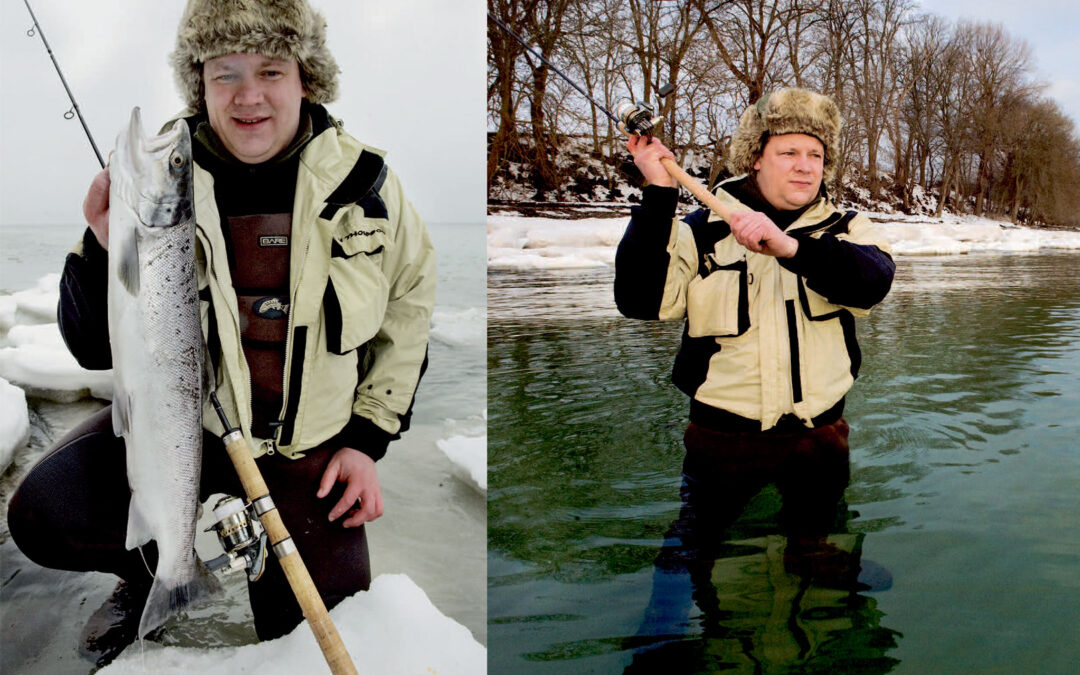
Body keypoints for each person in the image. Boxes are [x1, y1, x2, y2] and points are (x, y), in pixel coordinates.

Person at [6, 0, 435, 666]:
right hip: (185, 432)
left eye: (270, 70)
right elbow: (90, 346)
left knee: (312, 642)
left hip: (309, 453)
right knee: (43, 511)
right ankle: (152, 571)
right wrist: (103, 245)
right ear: (199, 84)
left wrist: (366, 440)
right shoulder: (159, 179)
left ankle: (235, 557)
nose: (248, 95)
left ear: (306, 78)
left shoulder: (366, 184)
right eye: (224, 73)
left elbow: (407, 314)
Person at [614, 88, 896, 667]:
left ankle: (825, 584)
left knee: (821, 533)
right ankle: (663, 623)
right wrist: (659, 193)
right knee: (694, 542)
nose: (805, 166)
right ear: (756, 158)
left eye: (815, 155)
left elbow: (873, 283)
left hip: (820, 436)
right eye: (789, 152)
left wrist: (789, 247)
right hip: (723, 437)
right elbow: (638, 300)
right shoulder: (700, 230)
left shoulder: (846, 227)